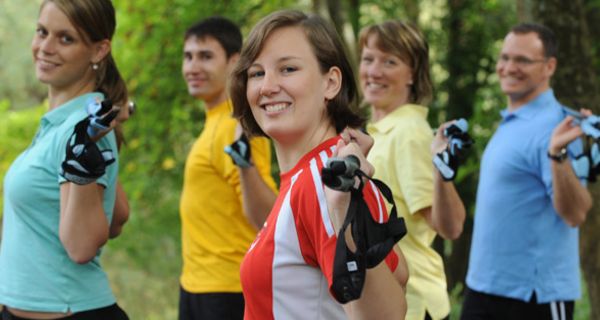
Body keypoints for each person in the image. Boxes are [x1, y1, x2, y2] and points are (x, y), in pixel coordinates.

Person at [230, 9, 408, 320]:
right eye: (256, 73)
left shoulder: (322, 181)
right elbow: (399, 270)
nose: (267, 86)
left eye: (287, 69)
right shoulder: (313, 173)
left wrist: (344, 212)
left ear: (331, 82)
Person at [0, 0, 130, 319]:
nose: (45, 47)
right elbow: (118, 214)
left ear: (99, 51)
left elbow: (82, 247)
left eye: (65, 38)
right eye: (42, 32)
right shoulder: (65, 123)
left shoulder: (80, 129)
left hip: (68, 311)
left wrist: (82, 173)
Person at [461, 23, 593, 320]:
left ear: (549, 66)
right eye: (505, 58)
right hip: (482, 289)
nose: (509, 67)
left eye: (522, 60)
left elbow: (576, 213)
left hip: (534, 298)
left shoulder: (559, 126)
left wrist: (557, 154)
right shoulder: (512, 120)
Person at [358, 20, 466, 320]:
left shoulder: (409, 133)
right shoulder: (377, 132)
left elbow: (449, 226)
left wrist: (443, 174)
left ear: (413, 74)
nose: (374, 71)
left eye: (389, 61)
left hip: (414, 304)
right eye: (368, 59)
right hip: (387, 299)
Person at [178, 16, 278, 320]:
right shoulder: (215, 123)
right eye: (188, 56)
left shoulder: (237, 125)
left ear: (234, 62)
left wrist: (243, 160)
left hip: (227, 293)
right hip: (196, 287)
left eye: (206, 56)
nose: (193, 67)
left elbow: (267, 218)